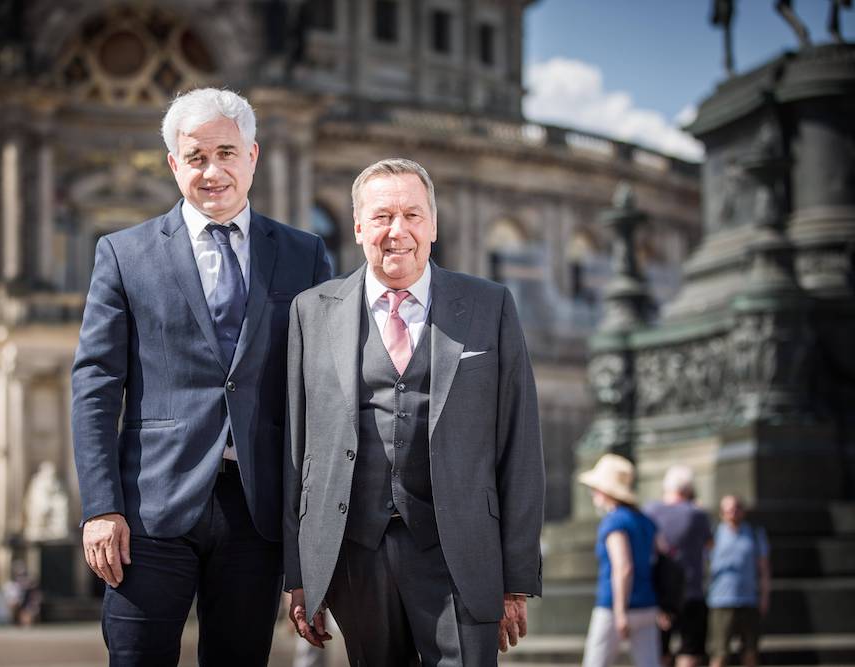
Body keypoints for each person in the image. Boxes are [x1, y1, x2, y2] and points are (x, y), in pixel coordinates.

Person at [71, 87, 332, 666]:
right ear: (173, 164)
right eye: (196, 157)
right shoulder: (123, 253)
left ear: (253, 156)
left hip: (256, 513)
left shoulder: (304, 255)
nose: (212, 171)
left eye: (226, 153)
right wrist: (100, 507)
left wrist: (308, 545)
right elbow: (94, 386)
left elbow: (323, 397)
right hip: (147, 511)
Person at [283, 158, 545, 665]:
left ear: (434, 225)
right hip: (356, 553)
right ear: (358, 227)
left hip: (461, 554)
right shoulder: (310, 311)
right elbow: (297, 448)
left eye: (412, 215)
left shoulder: (490, 306)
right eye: (381, 217)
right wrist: (300, 576)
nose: (397, 231)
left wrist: (516, 578)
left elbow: (520, 446)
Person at [579, 454, 661, 667]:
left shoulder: (614, 521)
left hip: (614, 607)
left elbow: (623, 567)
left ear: (604, 491)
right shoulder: (645, 520)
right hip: (647, 605)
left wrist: (620, 612)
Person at [645, 465, 713, 667]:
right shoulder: (697, 514)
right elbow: (710, 544)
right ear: (689, 489)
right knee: (690, 651)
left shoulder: (650, 511)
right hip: (691, 591)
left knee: (660, 653)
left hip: (659, 594)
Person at [707, 495, 770, 667]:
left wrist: (764, 596)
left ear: (742, 511)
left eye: (736, 508)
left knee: (750, 652)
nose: (732, 513)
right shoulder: (713, 535)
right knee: (720, 653)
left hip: (748, 599)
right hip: (721, 600)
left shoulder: (755, 534)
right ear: (721, 513)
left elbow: (764, 568)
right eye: (727, 510)